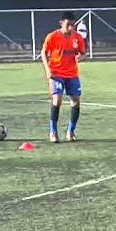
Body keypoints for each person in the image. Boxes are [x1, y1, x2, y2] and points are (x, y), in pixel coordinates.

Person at [41, 11, 87, 143]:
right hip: (56, 73)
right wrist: (47, 70)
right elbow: (43, 53)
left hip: (72, 74)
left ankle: (71, 132)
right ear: (61, 23)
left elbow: (83, 53)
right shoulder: (53, 36)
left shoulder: (77, 37)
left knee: (76, 100)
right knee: (57, 100)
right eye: (68, 25)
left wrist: (81, 57)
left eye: (73, 25)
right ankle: (53, 132)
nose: (70, 28)